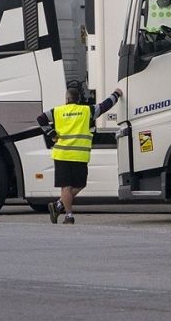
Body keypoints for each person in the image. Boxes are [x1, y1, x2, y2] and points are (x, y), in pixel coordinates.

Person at [41, 79, 120, 225]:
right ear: (78, 99)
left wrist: (52, 134)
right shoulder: (87, 111)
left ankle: (59, 205)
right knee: (79, 184)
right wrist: (116, 94)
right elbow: (105, 106)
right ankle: (68, 215)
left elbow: (41, 119)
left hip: (62, 154)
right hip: (79, 155)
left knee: (66, 186)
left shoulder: (57, 111)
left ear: (67, 99)